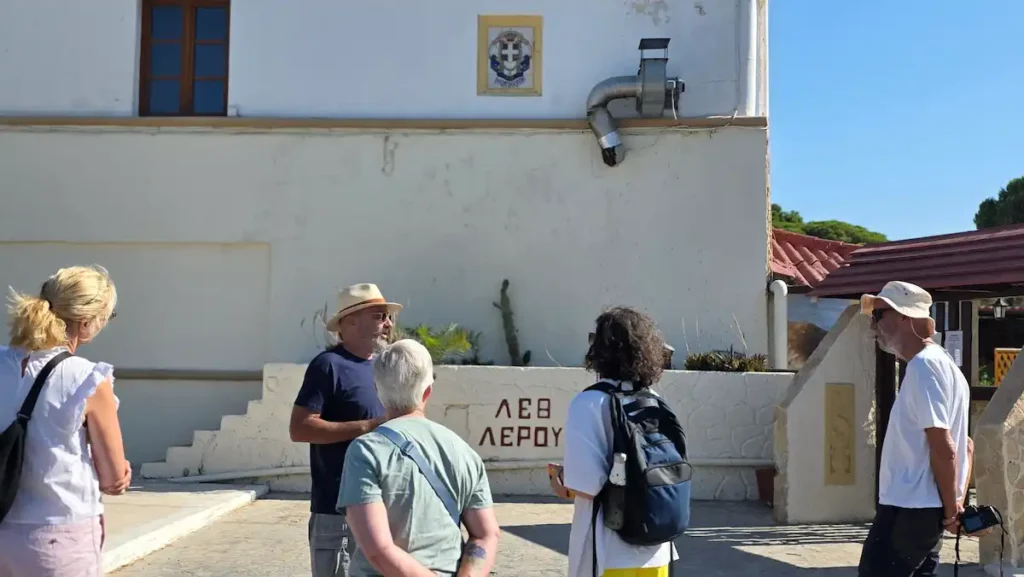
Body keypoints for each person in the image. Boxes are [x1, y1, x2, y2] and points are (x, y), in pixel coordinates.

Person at [0, 265, 130, 577]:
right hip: (60, 534)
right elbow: (112, 479)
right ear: (85, 323)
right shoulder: (87, 379)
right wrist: (122, 473)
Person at [338, 339, 500, 577]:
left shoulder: (365, 451)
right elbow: (486, 534)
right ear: (427, 391)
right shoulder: (463, 451)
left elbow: (378, 550)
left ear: (377, 389)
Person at [549, 306, 677, 577]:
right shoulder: (654, 399)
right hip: (657, 550)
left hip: (610, 553)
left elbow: (586, 485)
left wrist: (562, 480)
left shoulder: (588, 403)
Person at [857, 281, 972, 577]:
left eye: (878, 315)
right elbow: (966, 445)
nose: (873, 325)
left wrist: (950, 511)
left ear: (904, 316)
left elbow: (944, 446)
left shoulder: (924, 366)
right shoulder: (947, 366)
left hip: (911, 507)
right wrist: (954, 505)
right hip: (921, 510)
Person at [289, 283, 401, 577]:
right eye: (379, 316)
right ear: (351, 321)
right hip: (337, 510)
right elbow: (300, 428)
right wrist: (368, 426)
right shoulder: (328, 366)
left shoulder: (383, 367)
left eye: (387, 317)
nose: (388, 324)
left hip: (381, 506)